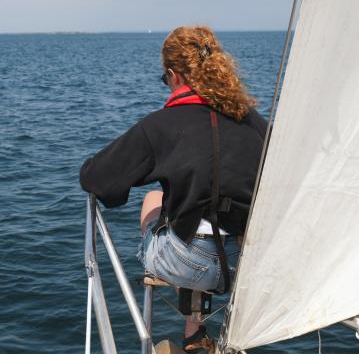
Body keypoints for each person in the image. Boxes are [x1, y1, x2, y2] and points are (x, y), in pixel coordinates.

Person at [79, 25, 266, 352]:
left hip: (189, 264)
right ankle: (195, 333)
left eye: (165, 80)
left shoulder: (162, 126)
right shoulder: (253, 121)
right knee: (207, 210)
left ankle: (193, 331)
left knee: (160, 200)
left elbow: (97, 178)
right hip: (248, 262)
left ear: (173, 75)